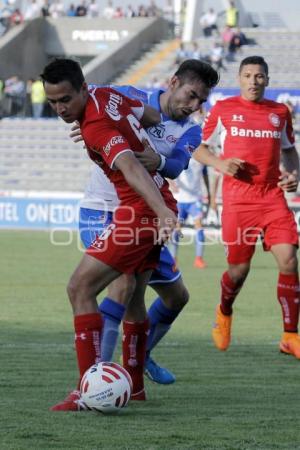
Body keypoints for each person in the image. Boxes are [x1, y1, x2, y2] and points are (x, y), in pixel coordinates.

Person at [41, 58, 178, 410]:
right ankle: (134, 387)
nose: (59, 108)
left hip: (142, 210)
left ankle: (86, 391)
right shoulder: (107, 95)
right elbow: (151, 116)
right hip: (157, 201)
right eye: (53, 102)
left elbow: (131, 166)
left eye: (65, 100)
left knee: (80, 287)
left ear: (83, 89)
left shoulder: (96, 124)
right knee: (134, 298)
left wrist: (160, 213)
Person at [76, 59, 219, 386]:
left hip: (146, 215)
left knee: (177, 297)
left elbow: (178, 163)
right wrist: (80, 121)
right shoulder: (130, 97)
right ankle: (99, 381)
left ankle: (140, 355)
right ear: (173, 82)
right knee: (124, 287)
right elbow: (88, 101)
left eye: (201, 101)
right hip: (103, 209)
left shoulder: (191, 129)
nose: (194, 105)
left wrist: (162, 160)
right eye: (191, 94)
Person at [193, 55, 300, 358]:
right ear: (239, 79)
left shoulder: (279, 112)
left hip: (272, 197)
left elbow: (290, 153)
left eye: (260, 76)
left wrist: (294, 176)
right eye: (248, 75)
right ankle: (224, 311)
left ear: (267, 79)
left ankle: (290, 335)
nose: (254, 81)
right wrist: (219, 162)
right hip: (238, 201)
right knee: (239, 271)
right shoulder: (223, 110)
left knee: (289, 258)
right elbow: (196, 147)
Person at [169, 158, 210, 268]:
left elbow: (205, 175)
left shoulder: (201, 158)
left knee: (199, 226)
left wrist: (209, 193)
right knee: (176, 229)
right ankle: (173, 259)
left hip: (195, 199)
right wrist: (171, 183)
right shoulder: (181, 155)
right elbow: (167, 170)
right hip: (179, 199)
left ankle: (199, 259)